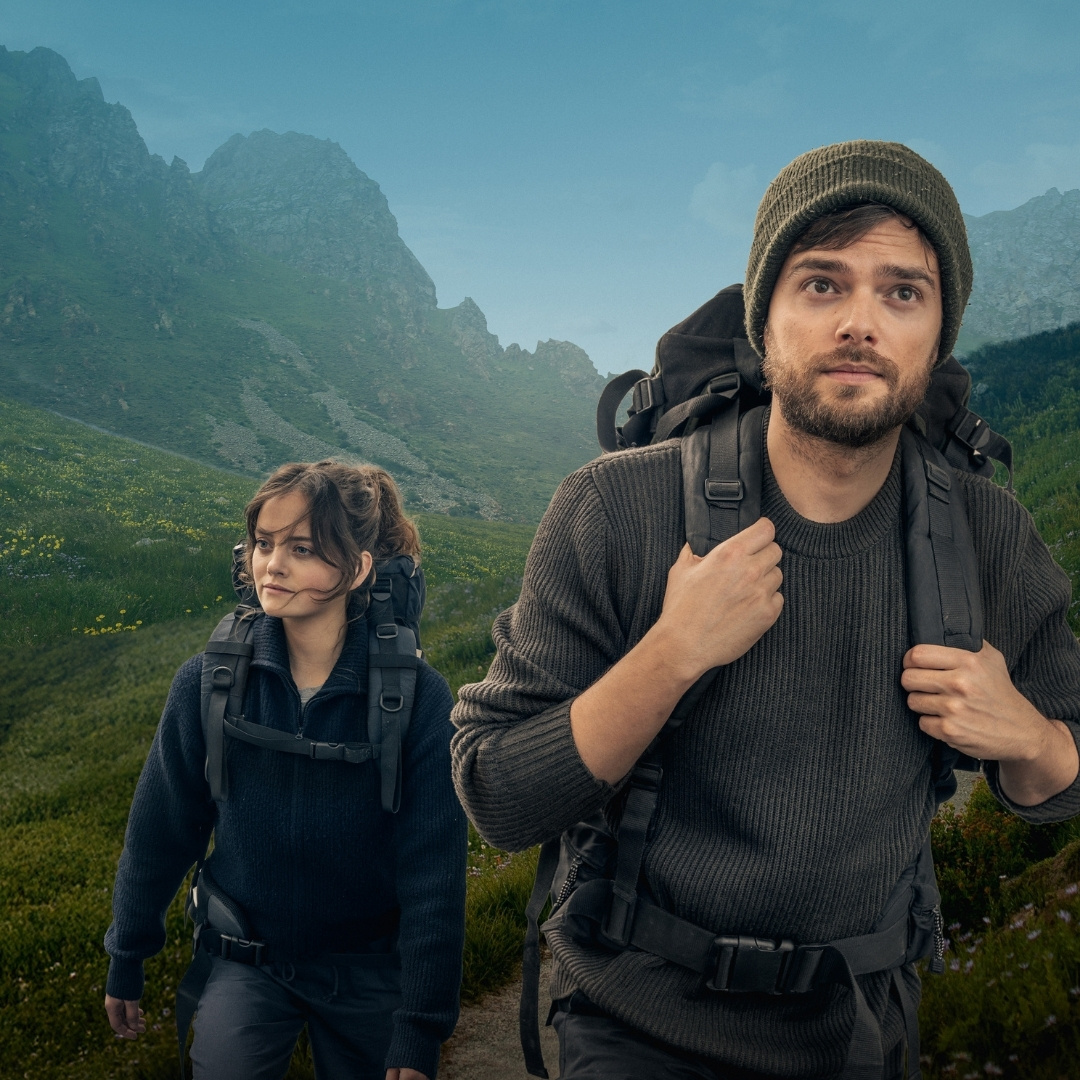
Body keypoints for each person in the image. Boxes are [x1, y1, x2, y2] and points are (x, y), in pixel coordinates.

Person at [450, 141, 1080, 1079]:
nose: (861, 323)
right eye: (821, 285)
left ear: (940, 331)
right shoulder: (616, 507)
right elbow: (498, 793)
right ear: (766, 314)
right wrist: (671, 653)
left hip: (864, 1032)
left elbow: (1058, 785)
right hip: (639, 1024)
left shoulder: (988, 535)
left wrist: (1027, 737)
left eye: (903, 292)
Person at [104, 460, 467, 1080]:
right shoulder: (208, 684)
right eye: (264, 544)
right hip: (247, 961)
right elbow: (161, 827)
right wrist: (128, 952)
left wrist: (420, 1030)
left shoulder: (422, 701)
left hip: (370, 972)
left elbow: (434, 873)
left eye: (302, 549)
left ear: (356, 568)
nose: (272, 565)